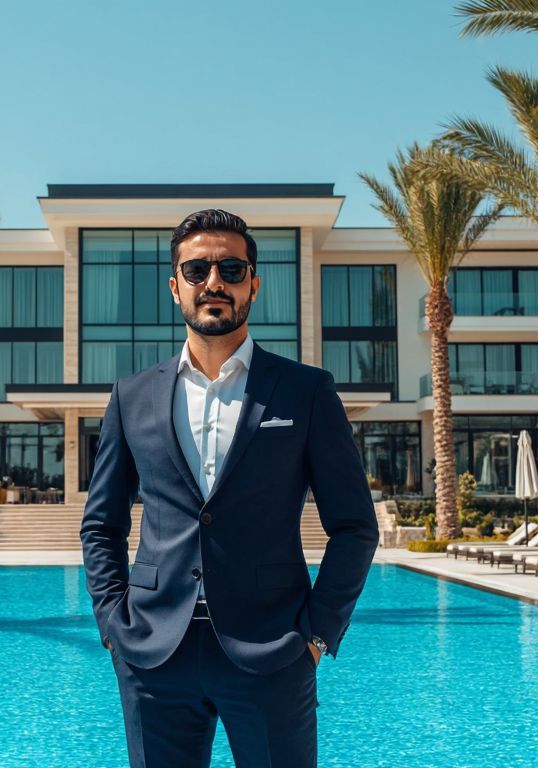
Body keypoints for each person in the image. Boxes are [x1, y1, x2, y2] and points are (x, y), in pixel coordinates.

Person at [80, 208, 379, 767]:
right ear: (175, 288)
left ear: (253, 285)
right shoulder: (131, 396)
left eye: (231, 268)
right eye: (197, 271)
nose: (213, 282)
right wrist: (112, 625)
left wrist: (315, 637)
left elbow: (356, 527)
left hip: (272, 650)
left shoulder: (306, 392)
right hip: (152, 651)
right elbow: (101, 523)